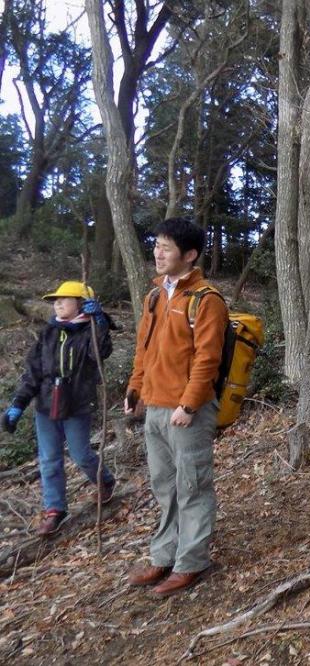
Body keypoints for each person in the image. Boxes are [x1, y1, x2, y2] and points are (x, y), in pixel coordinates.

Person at [124, 217, 229, 597]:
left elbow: (207, 360)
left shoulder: (206, 300)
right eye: (156, 246)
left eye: (166, 248)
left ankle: (191, 562)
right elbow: (144, 348)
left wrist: (188, 404)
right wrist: (135, 390)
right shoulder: (155, 296)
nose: (157, 253)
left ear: (189, 255)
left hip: (188, 411)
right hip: (154, 406)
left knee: (193, 485)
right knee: (164, 486)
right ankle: (163, 555)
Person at [3, 281, 115, 536]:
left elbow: (100, 353)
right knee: (49, 460)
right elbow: (33, 372)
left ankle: (105, 480)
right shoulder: (49, 332)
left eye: (65, 299)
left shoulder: (90, 331)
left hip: (77, 404)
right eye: (56, 299)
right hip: (46, 404)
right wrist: (18, 405)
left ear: (81, 304)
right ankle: (55, 510)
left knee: (81, 454)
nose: (58, 303)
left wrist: (100, 323)